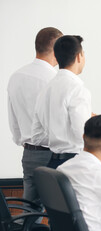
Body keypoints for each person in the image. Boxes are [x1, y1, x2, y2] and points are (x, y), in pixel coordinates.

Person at [7, 27, 63, 204]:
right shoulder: (55, 80)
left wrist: (24, 142)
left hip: (29, 154)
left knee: (30, 212)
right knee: (62, 211)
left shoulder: (16, 76)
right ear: (55, 50)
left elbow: (13, 118)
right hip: (54, 155)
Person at [32, 35, 92, 169]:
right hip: (75, 165)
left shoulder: (45, 90)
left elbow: (36, 137)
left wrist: (58, 135)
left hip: (53, 165)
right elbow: (82, 134)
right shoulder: (77, 90)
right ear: (78, 57)